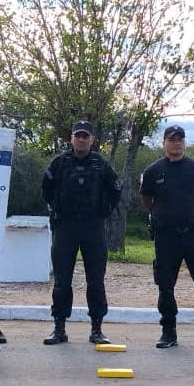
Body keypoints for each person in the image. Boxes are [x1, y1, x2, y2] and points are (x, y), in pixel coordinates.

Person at [40, 120, 122, 345]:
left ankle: (97, 329)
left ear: (92, 139)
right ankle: (59, 328)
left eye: (86, 136)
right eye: (78, 136)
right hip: (65, 227)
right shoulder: (59, 162)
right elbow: (46, 188)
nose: (82, 139)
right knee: (62, 281)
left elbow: (115, 189)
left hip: (92, 228)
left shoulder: (100, 164)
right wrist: (56, 208)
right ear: (72, 138)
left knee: (96, 281)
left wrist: (104, 210)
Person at [139, 124, 194, 349]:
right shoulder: (154, 170)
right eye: (172, 139)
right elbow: (147, 200)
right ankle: (168, 332)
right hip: (166, 236)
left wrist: (190, 214)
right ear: (164, 143)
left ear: (184, 143)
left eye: (180, 139)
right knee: (165, 285)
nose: (176, 143)